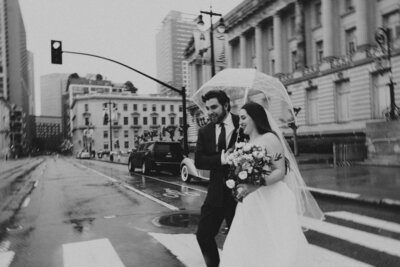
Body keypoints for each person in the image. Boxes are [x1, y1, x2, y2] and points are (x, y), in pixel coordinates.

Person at [219, 102, 324, 267]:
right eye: (240, 119)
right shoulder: (244, 142)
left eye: (244, 117)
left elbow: (280, 171)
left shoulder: (270, 138)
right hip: (251, 201)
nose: (241, 122)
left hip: (272, 198)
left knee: (274, 244)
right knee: (248, 244)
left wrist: (256, 183)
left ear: (255, 117)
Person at [195, 90, 241, 267]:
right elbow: (199, 160)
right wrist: (222, 158)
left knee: (238, 238)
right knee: (203, 235)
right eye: (207, 108)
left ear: (226, 105)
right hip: (215, 193)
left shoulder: (242, 124)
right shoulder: (204, 131)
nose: (209, 112)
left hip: (239, 194)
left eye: (214, 107)